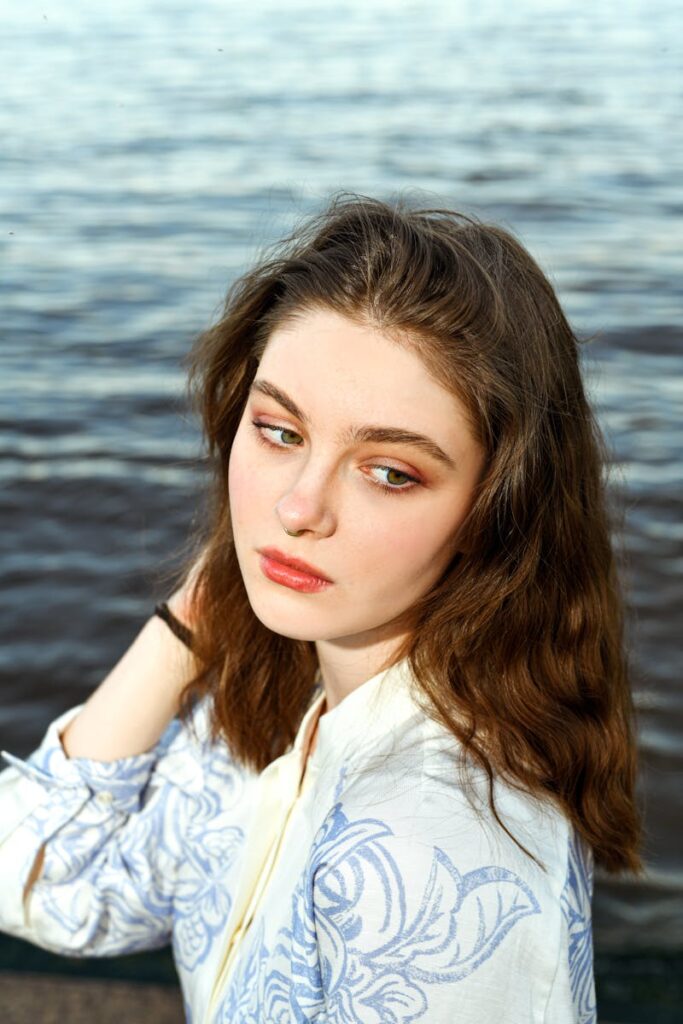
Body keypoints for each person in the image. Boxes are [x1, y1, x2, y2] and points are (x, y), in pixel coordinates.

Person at [0, 192, 642, 1023]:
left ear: (499, 510)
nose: (300, 508)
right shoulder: (272, 704)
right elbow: (43, 882)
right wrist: (189, 622)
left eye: (388, 471)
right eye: (278, 432)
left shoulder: (437, 850)